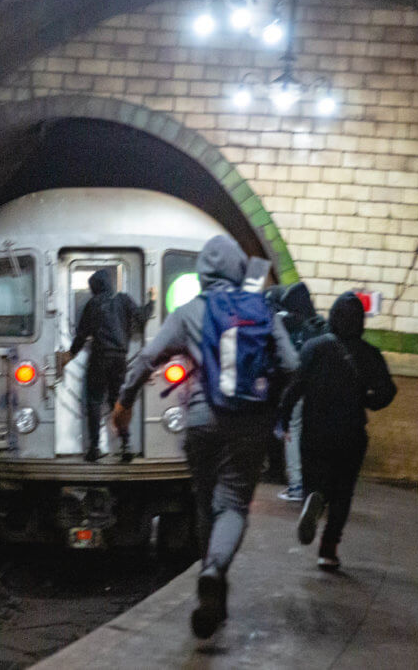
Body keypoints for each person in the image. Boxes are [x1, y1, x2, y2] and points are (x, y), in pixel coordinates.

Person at [111, 235, 298, 639]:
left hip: (201, 420)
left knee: (204, 502)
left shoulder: (189, 312)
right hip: (250, 422)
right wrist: (275, 408)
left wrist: (123, 403)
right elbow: (291, 364)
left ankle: (210, 591)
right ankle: (214, 570)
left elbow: (146, 358)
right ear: (236, 268)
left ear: (203, 273)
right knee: (232, 504)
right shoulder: (262, 307)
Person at [281, 291, 397, 570]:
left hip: (315, 430)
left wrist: (283, 419)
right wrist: (368, 400)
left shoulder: (314, 348)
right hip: (351, 433)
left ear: (332, 316)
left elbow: (295, 387)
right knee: (344, 492)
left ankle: (314, 498)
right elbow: (388, 392)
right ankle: (328, 549)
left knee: (315, 478)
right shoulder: (370, 354)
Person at [57, 269, 153, 462]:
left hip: (99, 357)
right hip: (119, 358)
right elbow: (141, 318)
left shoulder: (92, 304)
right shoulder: (124, 299)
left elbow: (82, 335)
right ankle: (126, 446)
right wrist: (153, 301)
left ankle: (94, 448)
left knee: (94, 401)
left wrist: (70, 355)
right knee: (118, 402)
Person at [275, 282, 329, 502]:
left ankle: (296, 485)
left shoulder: (288, 323)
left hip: (299, 388)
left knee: (292, 431)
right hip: (323, 391)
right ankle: (315, 487)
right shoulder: (322, 325)